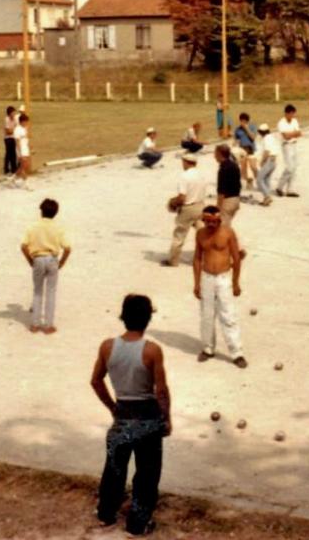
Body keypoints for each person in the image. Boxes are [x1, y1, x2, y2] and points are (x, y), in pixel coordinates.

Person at [91, 294, 171, 536]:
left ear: (123, 317)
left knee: (114, 468)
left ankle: (106, 514)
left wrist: (113, 408)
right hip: (147, 415)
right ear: (147, 319)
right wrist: (166, 418)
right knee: (146, 473)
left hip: (122, 412)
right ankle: (138, 523)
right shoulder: (152, 351)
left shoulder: (107, 346)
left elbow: (96, 381)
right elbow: (161, 390)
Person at [193, 206, 247, 367]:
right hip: (207, 278)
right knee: (207, 316)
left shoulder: (228, 233)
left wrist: (236, 283)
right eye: (207, 222)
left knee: (228, 315)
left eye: (214, 222)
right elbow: (197, 259)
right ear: (203, 221)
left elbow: (236, 259)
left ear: (219, 220)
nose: (211, 225)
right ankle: (208, 348)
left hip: (224, 279)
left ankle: (237, 353)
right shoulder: (200, 234)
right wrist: (196, 283)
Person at [22, 198, 72, 334]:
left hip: (37, 259)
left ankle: (34, 324)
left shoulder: (33, 227)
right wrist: (61, 262)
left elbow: (23, 246)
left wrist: (30, 261)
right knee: (51, 292)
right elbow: (67, 248)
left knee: (37, 291)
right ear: (56, 213)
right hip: (52, 260)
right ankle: (48, 325)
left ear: (41, 211)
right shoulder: (58, 228)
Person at [167, 153, 206, 266]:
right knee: (202, 234)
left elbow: (182, 198)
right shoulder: (201, 174)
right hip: (200, 206)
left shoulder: (184, 176)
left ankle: (173, 260)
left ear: (186, 162)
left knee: (179, 235)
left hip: (188, 208)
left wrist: (172, 203)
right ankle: (203, 259)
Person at [275, 105, 302, 198]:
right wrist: (294, 133)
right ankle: (279, 186)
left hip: (294, 144)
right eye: (291, 114)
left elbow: (299, 133)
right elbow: (285, 136)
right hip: (286, 145)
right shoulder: (281, 123)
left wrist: (291, 134)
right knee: (290, 167)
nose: (292, 116)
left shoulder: (294, 121)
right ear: (286, 113)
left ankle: (290, 189)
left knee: (294, 168)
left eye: (293, 114)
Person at [214, 145, 243, 225]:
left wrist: (218, 207)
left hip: (228, 202)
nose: (214, 156)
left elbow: (221, 190)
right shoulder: (234, 165)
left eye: (215, 154)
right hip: (236, 199)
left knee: (222, 228)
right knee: (227, 224)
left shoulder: (223, 169)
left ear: (220, 154)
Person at [232, 113, 257, 187]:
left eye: (244, 121)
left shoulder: (252, 127)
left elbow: (253, 138)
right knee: (243, 167)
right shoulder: (238, 129)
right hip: (242, 149)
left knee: (253, 166)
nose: (242, 122)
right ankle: (248, 181)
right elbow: (236, 140)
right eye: (241, 121)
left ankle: (259, 179)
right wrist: (234, 146)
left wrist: (246, 128)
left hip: (250, 148)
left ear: (247, 121)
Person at [254, 124, 277, 206]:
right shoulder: (272, 137)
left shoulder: (266, 139)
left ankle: (267, 196)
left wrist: (262, 161)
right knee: (266, 180)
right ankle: (266, 199)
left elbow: (267, 151)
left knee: (259, 179)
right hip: (274, 161)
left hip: (269, 160)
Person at [12, 113, 32, 189]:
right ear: (22, 121)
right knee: (24, 166)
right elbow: (17, 143)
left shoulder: (25, 128)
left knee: (24, 166)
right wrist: (19, 154)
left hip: (25, 149)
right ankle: (26, 184)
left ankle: (13, 178)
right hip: (21, 150)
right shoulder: (17, 130)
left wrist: (30, 148)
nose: (27, 123)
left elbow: (26, 140)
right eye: (26, 122)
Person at [2, 106, 19, 176]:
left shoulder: (15, 119)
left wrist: (13, 129)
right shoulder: (7, 119)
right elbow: (8, 131)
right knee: (8, 154)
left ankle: (14, 168)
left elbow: (15, 128)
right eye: (13, 113)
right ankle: (6, 169)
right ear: (9, 113)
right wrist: (14, 129)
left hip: (13, 137)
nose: (14, 114)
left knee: (14, 154)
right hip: (8, 138)